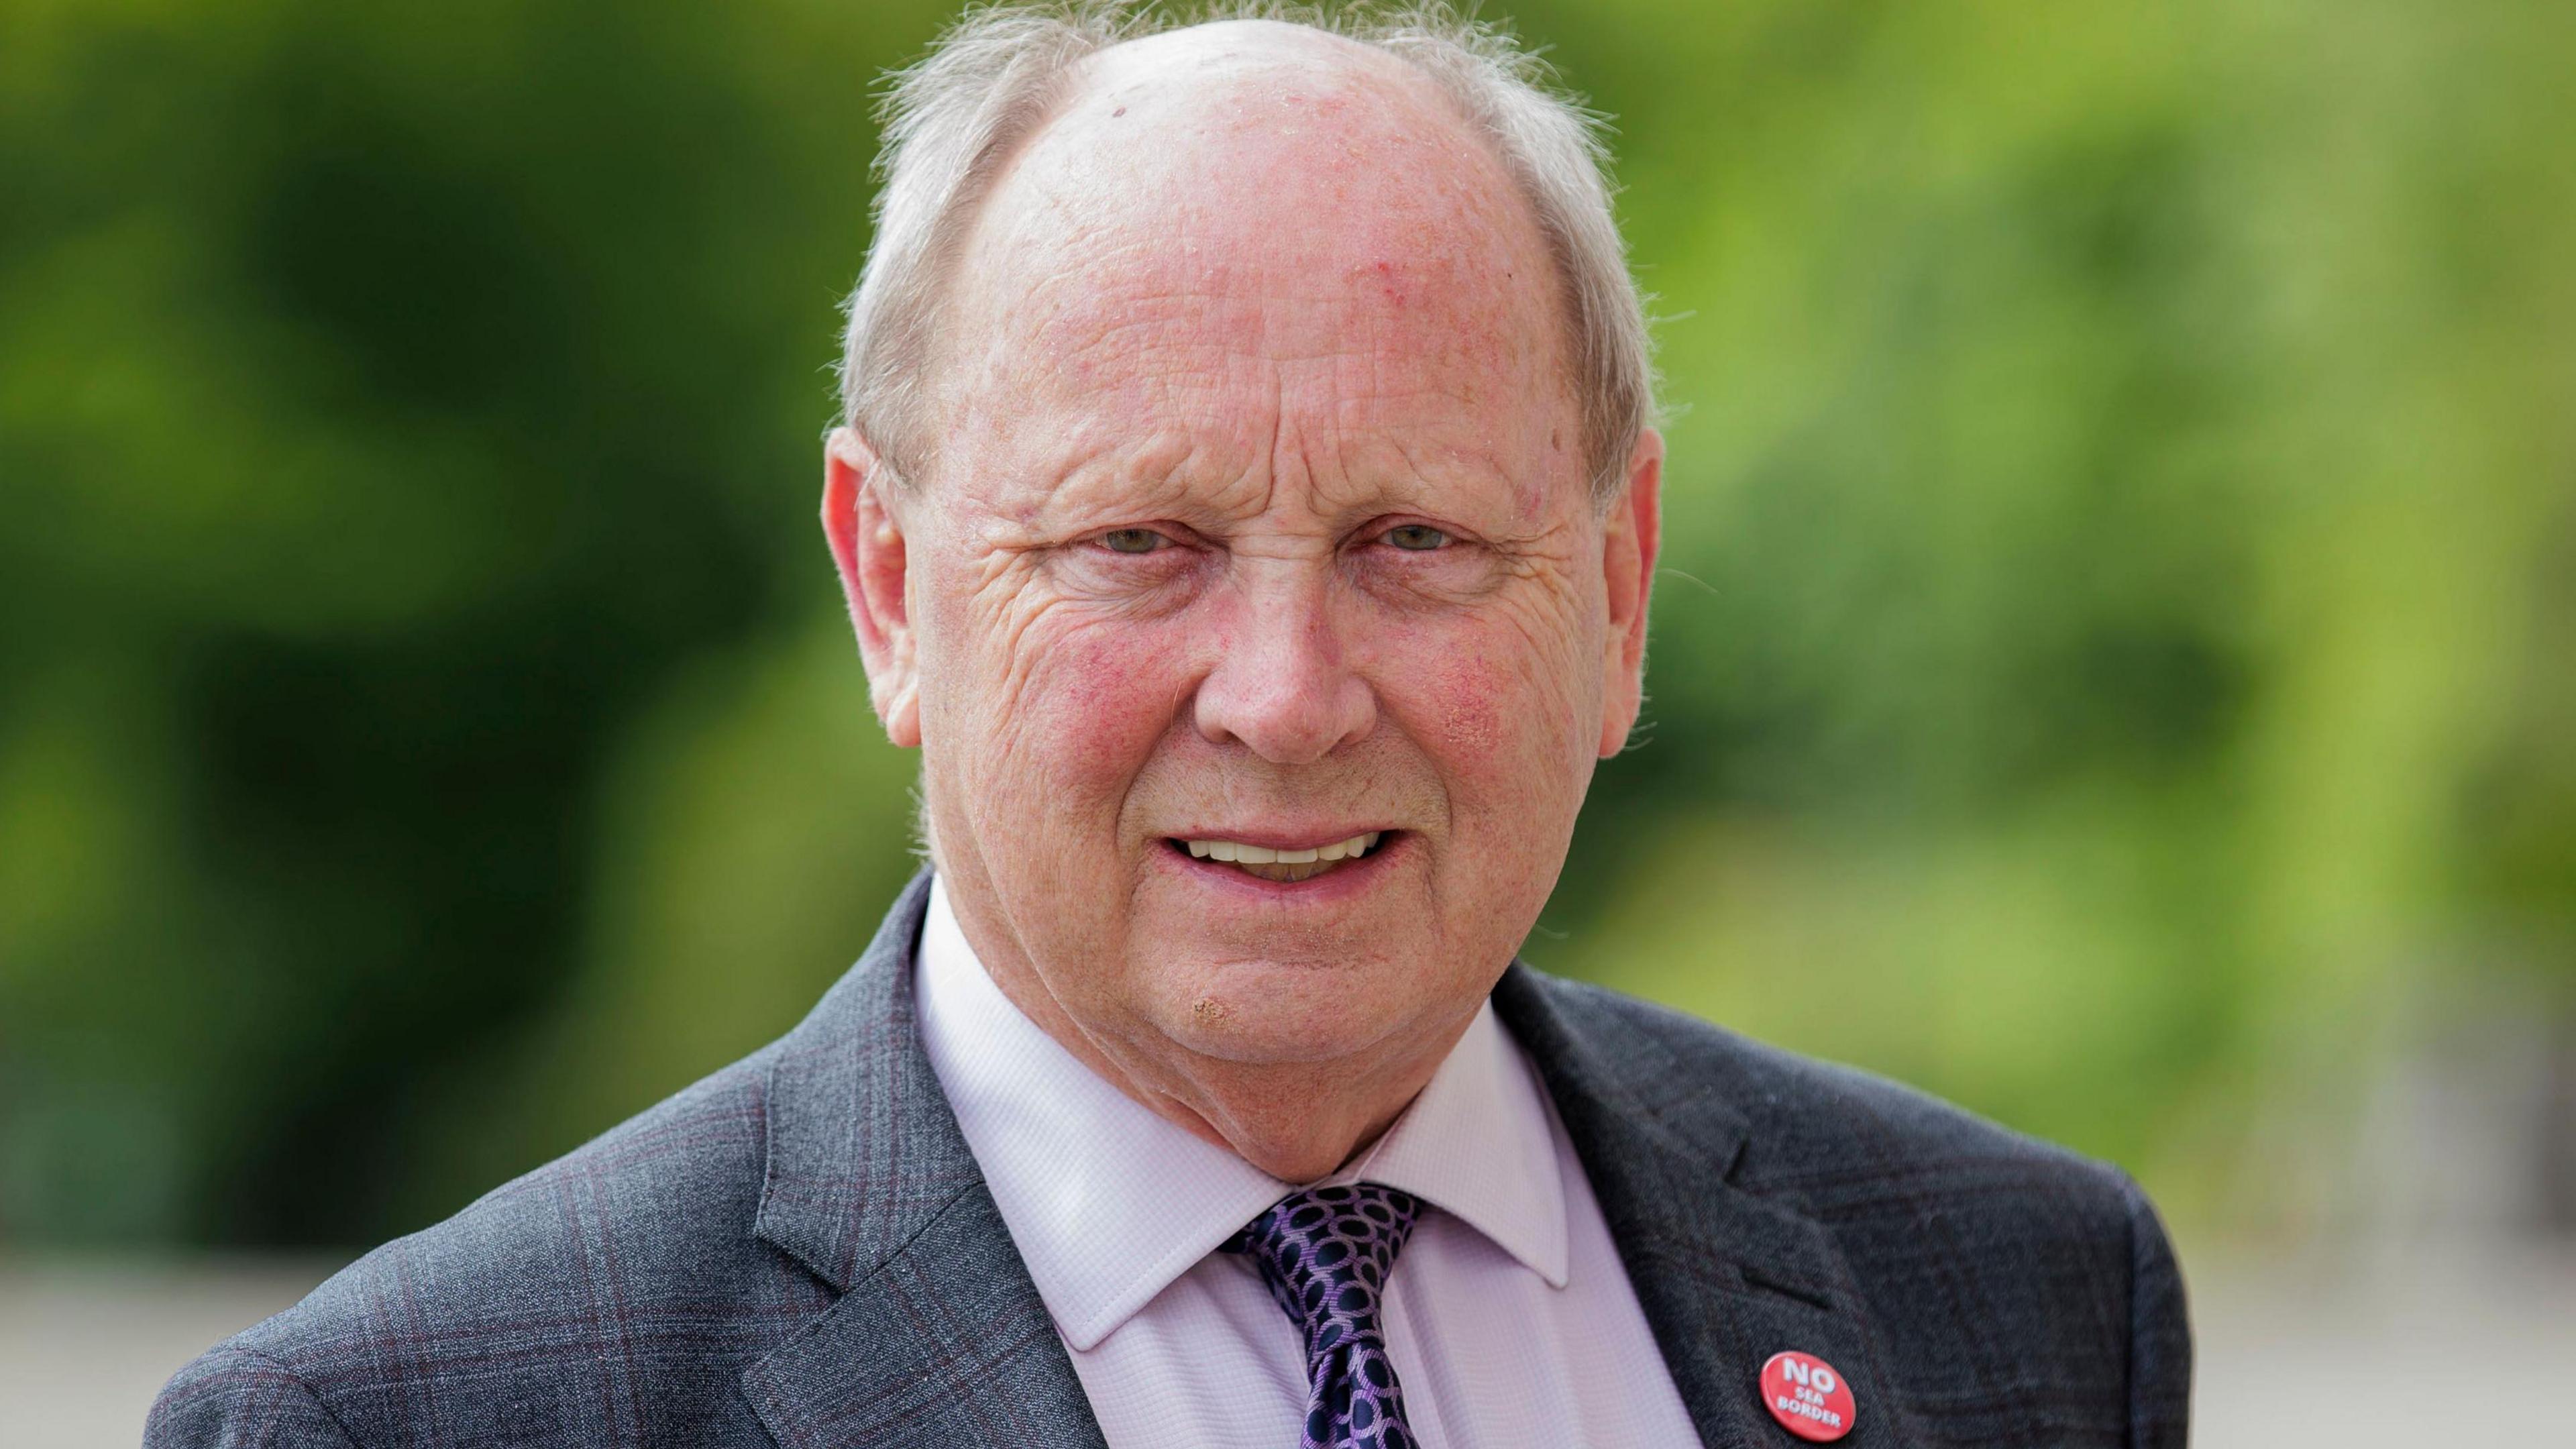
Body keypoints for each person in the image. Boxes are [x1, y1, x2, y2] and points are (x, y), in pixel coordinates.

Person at [149, 5, 2192, 1446]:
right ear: (889, 585)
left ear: (1622, 585)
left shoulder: (2016, 1304)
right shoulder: (425, 1421)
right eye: (1140, 541)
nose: (1288, 699)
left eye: (1415, 538)